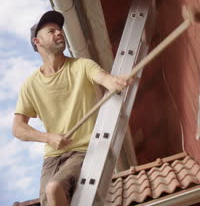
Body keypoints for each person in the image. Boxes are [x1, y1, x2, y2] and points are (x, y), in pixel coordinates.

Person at [12, 11, 131, 206]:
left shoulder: (82, 66)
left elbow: (105, 79)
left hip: (83, 150)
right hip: (52, 158)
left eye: (60, 30)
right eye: (52, 31)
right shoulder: (31, 85)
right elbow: (18, 129)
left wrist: (115, 81)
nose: (59, 33)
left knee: (54, 188)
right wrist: (48, 137)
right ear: (37, 42)